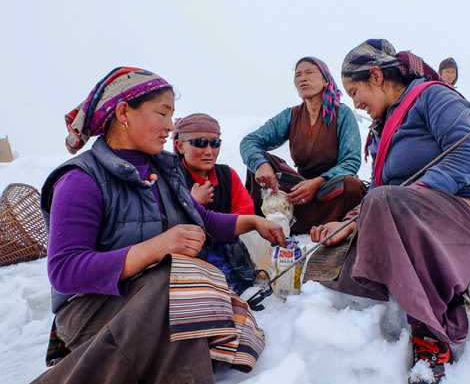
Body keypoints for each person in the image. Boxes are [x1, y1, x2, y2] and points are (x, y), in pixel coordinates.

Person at [33, 67, 285, 384]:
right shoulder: (81, 180)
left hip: (160, 297)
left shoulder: (163, 171)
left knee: (205, 302)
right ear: (123, 112)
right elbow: (65, 271)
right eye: (162, 113)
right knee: (179, 289)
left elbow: (202, 220)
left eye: (172, 115)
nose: (170, 126)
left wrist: (252, 221)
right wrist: (158, 247)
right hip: (92, 308)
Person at [309, 40, 470, 383]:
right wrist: (349, 221)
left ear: (376, 76)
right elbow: (377, 192)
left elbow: (467, 157)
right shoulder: (381, 130)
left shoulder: (434, 97)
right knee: (327, 257)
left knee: (385, 202)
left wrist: (409, 196)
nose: (355, 102)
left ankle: (430, 333)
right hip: (408, 210)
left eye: (355, 90)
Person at [240, 57, 366, 234]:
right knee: (259, 163)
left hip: (328, 190)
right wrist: (261, 165)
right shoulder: (291, 115)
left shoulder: (342, 114)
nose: (302, 78)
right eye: (298, 75)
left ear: (325, 80)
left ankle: (336, 228)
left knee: (351, 185)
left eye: (309, 72)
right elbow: (249, 141)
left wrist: (316, 183)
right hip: (298, 193)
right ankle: (265, 226)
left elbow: (351, 162)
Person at [174, 113, 256, 294]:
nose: (209, 151)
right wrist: (192, 203)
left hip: (227, 250)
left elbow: (246, 212)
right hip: (185, 255)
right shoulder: (170, 178)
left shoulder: (227, 175)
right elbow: (163, 224)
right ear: (180, 146)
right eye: (200, 143)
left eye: (215, 143)